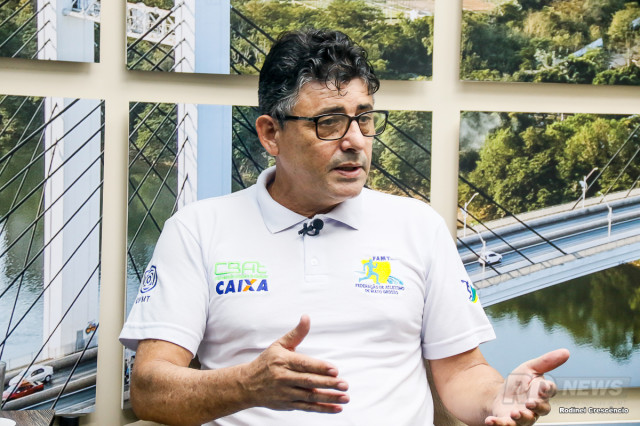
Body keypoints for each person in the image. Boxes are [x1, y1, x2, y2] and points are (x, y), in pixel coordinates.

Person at [119, 28, 570, 426]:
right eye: (329, 122)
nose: (355, 141)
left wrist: (498, 398)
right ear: (271, 134)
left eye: (364, 118)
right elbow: (150, 390)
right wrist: (246, 385)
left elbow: (462, 373)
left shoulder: (418, 226)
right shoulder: (198, 230)